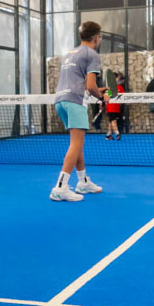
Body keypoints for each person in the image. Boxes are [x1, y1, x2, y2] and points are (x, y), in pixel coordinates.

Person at [51, 21, 107, 201]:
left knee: (77, 143)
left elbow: (78, 82)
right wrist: (101, 97)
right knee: (76, 144)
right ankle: (60, 187)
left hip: (61, 100)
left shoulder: (70, 53)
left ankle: (83, 182)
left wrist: (97, 91)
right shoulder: (92, 54)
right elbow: (90, 86)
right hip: (75, 101)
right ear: (96, 37)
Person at [104, 72, 125, 140]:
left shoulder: (120, 87)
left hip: (117, 108)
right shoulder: (109, 88)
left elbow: (124, 96)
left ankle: (108, 135)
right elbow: (108, 96)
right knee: (113, 121)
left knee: (111, 121)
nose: (118, 79)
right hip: (111, 108)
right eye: (117, 78)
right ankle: (117, 133)